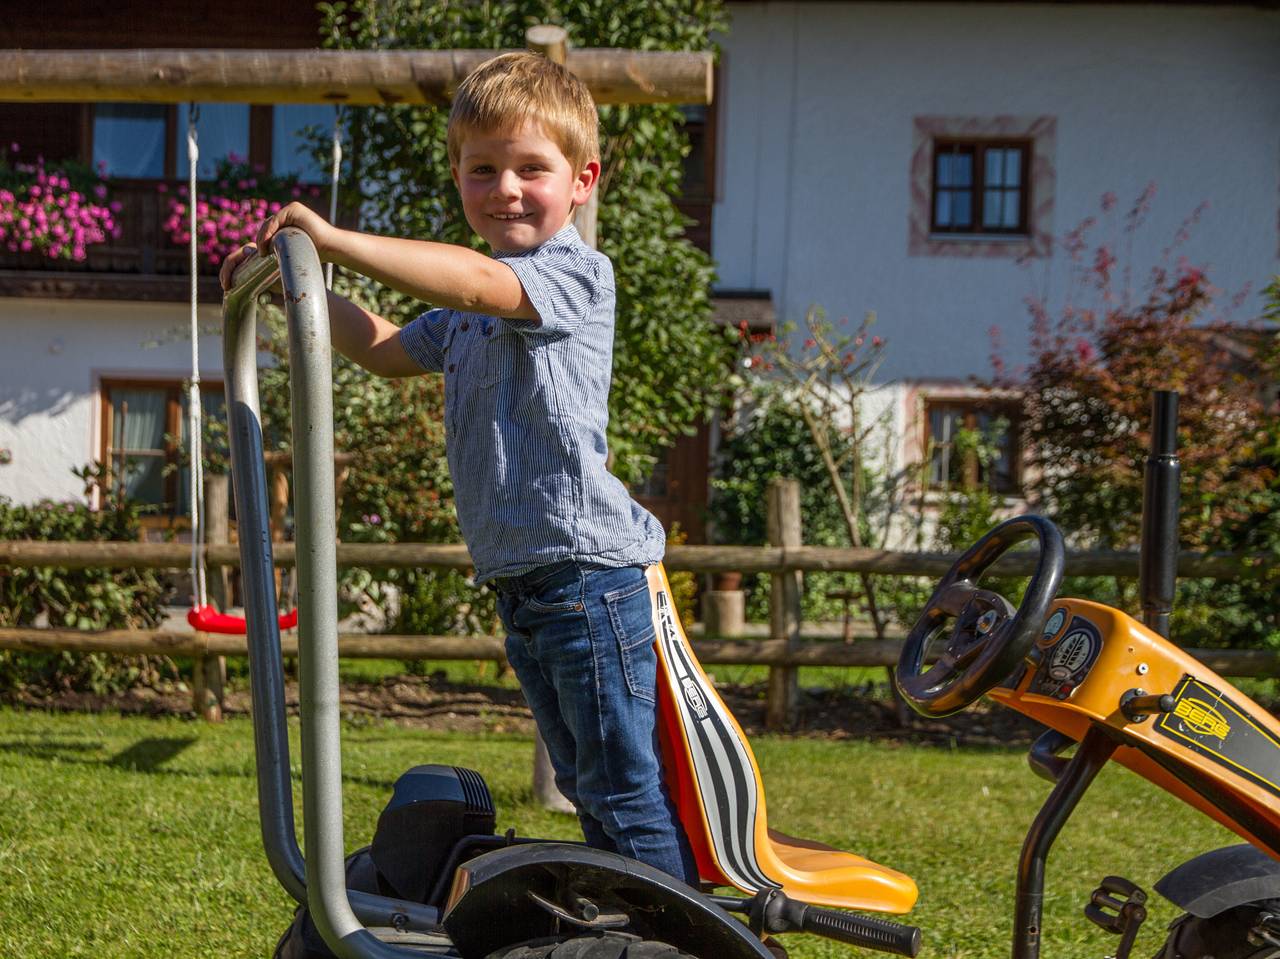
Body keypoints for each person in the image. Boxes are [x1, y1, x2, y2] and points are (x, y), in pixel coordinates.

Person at [219, 52, 699, 886]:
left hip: (591, 577)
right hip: (528, 584)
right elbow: (382, 348)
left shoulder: (575, 274)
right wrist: (290, 286)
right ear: (459, 178)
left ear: (582, 181)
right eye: (483, 170)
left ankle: (675, 935)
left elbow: (481, 282)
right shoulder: (463, 317)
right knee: (590, 785)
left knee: (623, 793)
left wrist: (332, 240)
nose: (506, 188)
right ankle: (615, 922)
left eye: (531, 169)